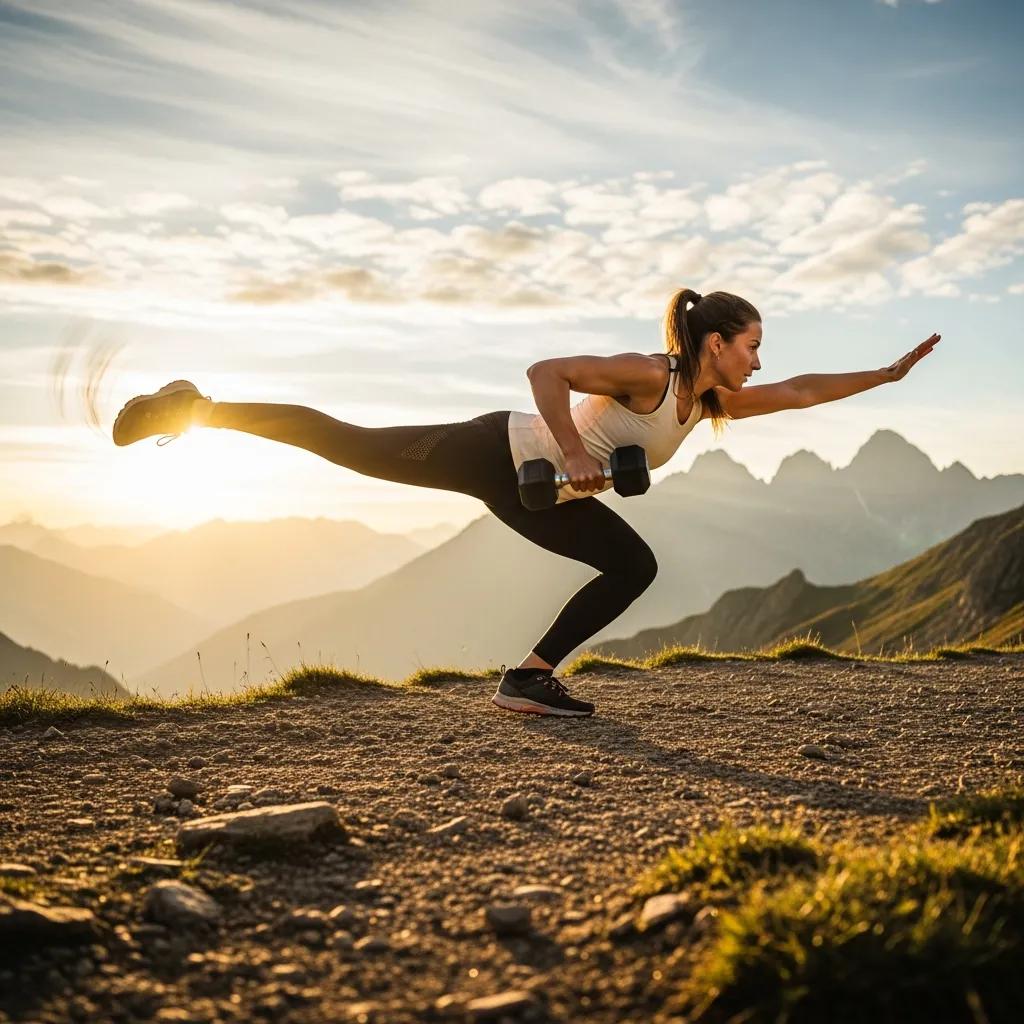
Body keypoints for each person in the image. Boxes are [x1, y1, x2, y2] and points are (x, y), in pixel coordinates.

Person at [112, 289, 939, 717]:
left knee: (632, 564)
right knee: (350, 441)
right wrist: (576, 449)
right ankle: (195, 406)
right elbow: (547, 371)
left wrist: (886, 374)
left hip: (537, 498)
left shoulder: (709, 401)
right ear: (715, 343)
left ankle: (529, 678)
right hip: (493, 450)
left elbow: (800, 392)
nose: (761, 362)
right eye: (751, 345)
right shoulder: (648, 373)